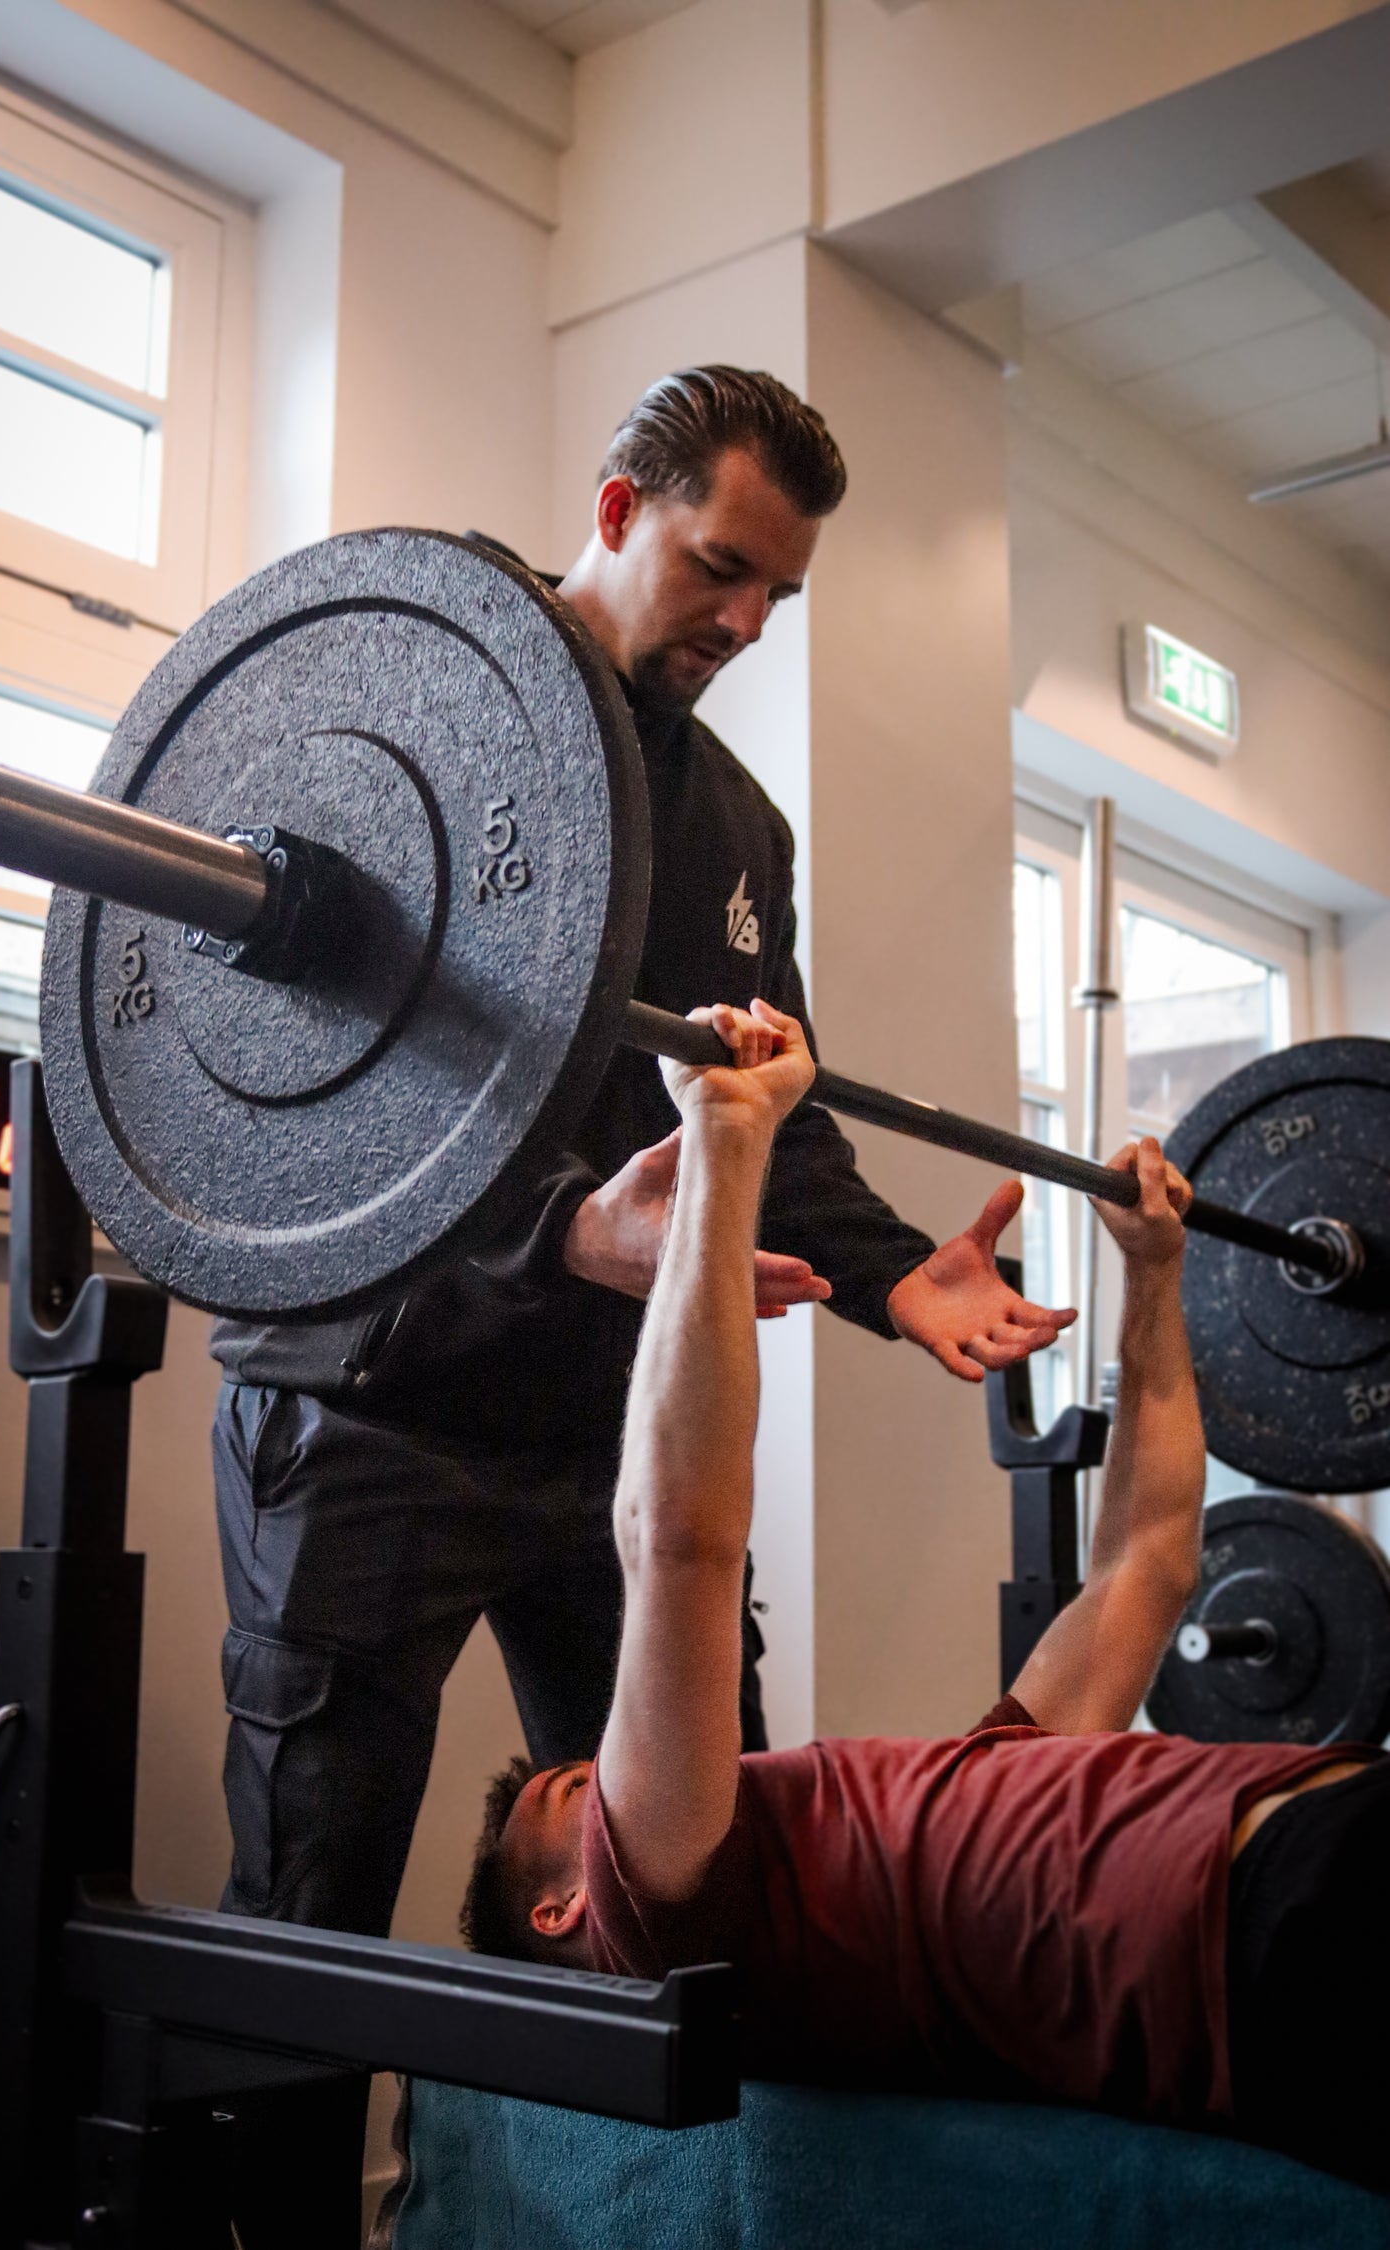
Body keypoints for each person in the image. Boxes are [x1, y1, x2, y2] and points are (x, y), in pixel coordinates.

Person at [207, 369, 1073, 2239]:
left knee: (694, 1888)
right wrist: (555, 1246)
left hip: (602, 1436)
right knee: (312, 1915)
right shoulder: (409, 702)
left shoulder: (740, 826)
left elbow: (773, 1113)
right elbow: (317, 1116)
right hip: (375, 1413)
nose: (745, 623)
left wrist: (887, 1268)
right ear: (618, 511)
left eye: (778, 594)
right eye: (718, 567)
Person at [465, 1000, 1388, 2193]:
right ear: (569, 1909)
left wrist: (1155, 1274)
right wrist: (725, 1149)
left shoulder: (947, 1827)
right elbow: (678, 1541)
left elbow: (1148, 1564)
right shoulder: (663, 1923)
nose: (627, 1757)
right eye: (580, 1787)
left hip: (1308, 1858)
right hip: (1278, 1927)